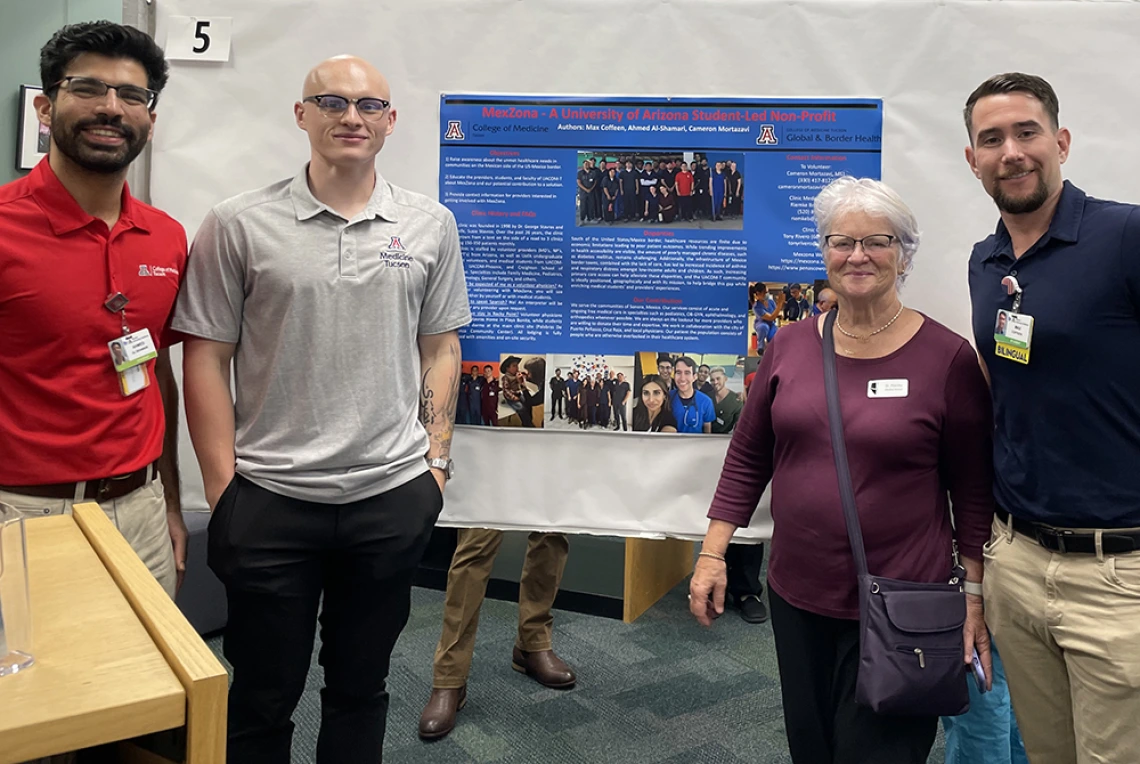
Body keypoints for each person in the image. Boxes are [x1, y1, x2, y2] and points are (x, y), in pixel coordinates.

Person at [175, 56, 470, 763]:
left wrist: (433, 464)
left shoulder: (429, 224)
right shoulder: (239, 224)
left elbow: (442, 346)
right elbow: (206, 359)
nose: (352, 117)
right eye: (332, 101)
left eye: (370, 106)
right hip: (270, 501)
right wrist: (225, 492)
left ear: (390, 122)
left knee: (360, 689)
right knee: (261, 695)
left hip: (387, 498)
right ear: (301, 114)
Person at [690, 176, 994, 764]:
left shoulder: (948, 358)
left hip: (905, 602)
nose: (857, 256)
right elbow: (749, 455)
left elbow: (974, 492)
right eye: (841, 242)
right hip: (798, 593)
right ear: (823, 251)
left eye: (877, 241)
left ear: (904, 254)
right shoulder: (789, 345)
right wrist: (711, 553)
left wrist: (974, 598)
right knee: (814, 746)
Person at [964, 72, 1140, 764]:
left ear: (1061, 142)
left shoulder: (1125, 236)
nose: (1011, 151)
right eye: (991, 139)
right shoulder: (987, 262)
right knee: (1046, 755)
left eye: (1027, 132)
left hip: (1118, 572)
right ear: (972, 159)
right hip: (1018, 561)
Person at [0, 21, 186, 598]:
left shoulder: (167, 238)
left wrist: (172, 506)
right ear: (45, 106)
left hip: (142, 511)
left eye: (132, 96)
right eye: (87, 88)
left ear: (150, 120)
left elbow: (156, 374)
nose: (111, 108)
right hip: (21, 514)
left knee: (149, 683)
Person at [709, 366, 768, 624]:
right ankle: (713, 582)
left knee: (751, 525)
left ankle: (746, 591)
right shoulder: (708, 399)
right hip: (711, 463)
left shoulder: (754, 403)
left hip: (754, 465)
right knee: (711, 519)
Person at [669, 356, 715, 434]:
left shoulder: (706, 402)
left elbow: (707, 429)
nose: (682, 378)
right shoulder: (668, 398)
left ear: (694, 377)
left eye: (687, 373)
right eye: (678, 373)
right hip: (672, 444)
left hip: (696, 444)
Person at [576, 158, 594, 223]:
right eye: (585, 164)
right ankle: (582, 219)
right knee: (583, 206)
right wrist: (586, 189)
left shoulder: (592, 172)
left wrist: (591, 189)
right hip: (583, 192)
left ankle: (590, 218)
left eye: (587, 164)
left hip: (591, 192)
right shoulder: (580, 173)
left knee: (591, 205)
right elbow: (578, 182)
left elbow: (595, 182)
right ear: (583, 165)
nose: (586, 165)